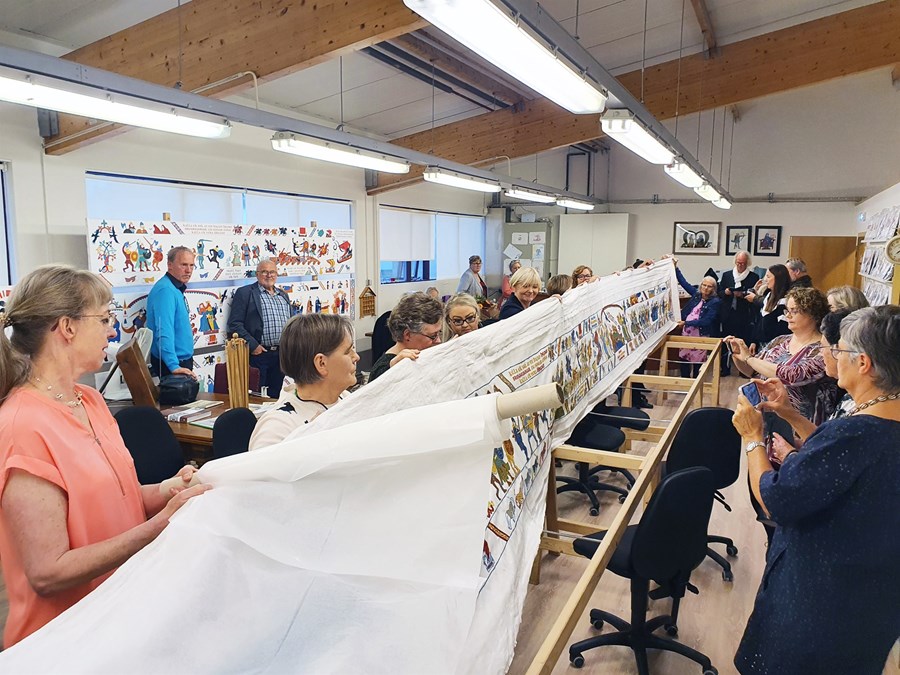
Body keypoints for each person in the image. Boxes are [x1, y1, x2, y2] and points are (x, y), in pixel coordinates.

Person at [0, 265, 209, 647]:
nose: (113, 331)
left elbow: (116, 497)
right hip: (67, 642)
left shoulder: (91, 401)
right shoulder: (22, 426)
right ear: (67, 327)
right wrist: (159, 525)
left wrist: (167, 490)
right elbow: (48, 572)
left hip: (119, 616)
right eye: (105, 318)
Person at [731, 305, 900, 675]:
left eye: (839, 349)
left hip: (820, 603)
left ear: (864, 363)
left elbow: (774, 500)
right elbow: (839, 464)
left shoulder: (855, 432)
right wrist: (790, 413)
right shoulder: (877, 419)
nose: (832, 355)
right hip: (870, 598)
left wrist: (752, 437)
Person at [753, 310, 854, 463]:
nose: (822, 354)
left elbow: (833, 462)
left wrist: (753, 439)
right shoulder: (850, 399)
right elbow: (826, 444)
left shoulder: (861, 414)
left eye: (824, 347)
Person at [727, 287, 836, 425]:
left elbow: (790, 375)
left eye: (794, 311)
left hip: (803, 425)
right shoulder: (780, 340)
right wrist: (738, 355)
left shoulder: (822, 349)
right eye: (787, 310)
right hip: (768, 418)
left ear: (813, 314)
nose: (788, 315)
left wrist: (749, 358)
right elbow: (753, 371)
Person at [249, 314, 359, 451]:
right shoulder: (278, 428)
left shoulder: (346, 399)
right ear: (321, 363)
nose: (356, 357)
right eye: (348, 352)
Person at [226, 258, 293, 396]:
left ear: (277, 274)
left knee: (276, 397)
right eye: (264, 272)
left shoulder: (283, 295)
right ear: (257, 274)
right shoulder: (245, 293)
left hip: (281, 355)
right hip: (259, 355)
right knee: (257, 396)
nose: (269, 275)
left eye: (272, 272)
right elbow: (234, 324)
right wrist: (253, 346)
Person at [368, 293, 443, 383]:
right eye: (433, 336)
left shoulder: (421, 358)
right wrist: (392, 373)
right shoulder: (382, 371)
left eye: (439, 333)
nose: (439, 341)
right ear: (408, 335)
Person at [146, 246, 197, 378]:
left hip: (178, 362)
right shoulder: (166, 290)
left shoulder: (174, 287)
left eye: (191, 265)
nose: (188, 270)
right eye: (184, 265)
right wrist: (174, 366)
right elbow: (164, 330)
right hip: (173, 365)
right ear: (170, 265)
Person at [674, 266, 721, 378]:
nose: (706, 288)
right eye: (704, 285)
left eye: (709, 286)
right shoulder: (696, 295)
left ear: (713, 289)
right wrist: (676, 268)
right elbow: (684, 283)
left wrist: (686, 323)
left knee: (697, 362)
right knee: (684, 359)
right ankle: (685, 382)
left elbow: (706, 321)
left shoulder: (715, 302)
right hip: (686, 333)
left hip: (700, 335)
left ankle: (696, 383)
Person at [718, 251, 759, 376]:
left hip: (744, 314)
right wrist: (726, 292)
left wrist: (743, 294)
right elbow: (719, 293)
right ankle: (724, 368)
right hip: (728, 314)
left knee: (743, 342)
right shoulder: (727, 275)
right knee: (726, 342)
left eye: (743, 263)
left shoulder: (753, 277)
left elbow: (755, 295)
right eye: (738, 262)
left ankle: (744, 370)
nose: (740, 265)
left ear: (748, 263)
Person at [746, 264, 791, 348]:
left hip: (775, 347)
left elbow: (782, 332)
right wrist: (754, 341)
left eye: (768, 277)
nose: (765, 280)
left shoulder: (785, 302)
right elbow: (760, 321)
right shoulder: (769, 295)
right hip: (761, 344)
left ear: (778, 279)